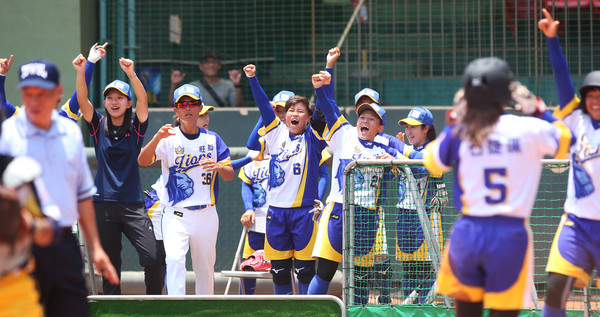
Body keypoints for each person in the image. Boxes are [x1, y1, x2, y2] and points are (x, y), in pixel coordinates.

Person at [423, 57, 572, 317]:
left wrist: (454, 118)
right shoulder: (528, 128)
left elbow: (433, 163)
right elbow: (566, 139)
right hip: (510, 235)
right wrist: (536, 108)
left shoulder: (463, 130)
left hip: (468, 233)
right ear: (505, 94)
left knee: (467, 313)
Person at [0, 59, 118, 316]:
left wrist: (96, 247)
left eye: (41, 94)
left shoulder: (69, 131)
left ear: (57, 93)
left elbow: (82, 195)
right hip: (23, 246)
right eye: (27, 93)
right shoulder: (7, 134)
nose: (33, 101)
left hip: (64, 241)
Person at [308, 68, 403, 305]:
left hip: (368, 215)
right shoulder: (344, 134)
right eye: (362, 116)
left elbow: (400, 173)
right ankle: (306, 309)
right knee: (326, 270)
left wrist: (395, 161)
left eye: (371, 118)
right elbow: (329, 108)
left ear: (380, 127)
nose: (365, 120)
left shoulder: (385, 149)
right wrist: (321, 86)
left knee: (360, 276)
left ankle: (363, 310)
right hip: (339, 211)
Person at [73, 53, 160, 295]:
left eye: (120, 98)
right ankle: (113, 307)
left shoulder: (135, 126)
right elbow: (82, 101)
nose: (114, 101)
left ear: (128, 103)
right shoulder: (98, 124)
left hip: (133, 204)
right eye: (110, 98)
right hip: (103, 205)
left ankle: (154, 303)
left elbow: (144, 103)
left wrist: (131, 73)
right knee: (110, 267)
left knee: (152, 256)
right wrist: (82, 71)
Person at [138, 84, 234, 295]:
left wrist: (219, 167)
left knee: (205, 269)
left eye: (192, 103)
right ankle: (176, 309)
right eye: (182, 104)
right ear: (176, 109)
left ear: (200, 107)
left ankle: (205, 311)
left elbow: (229, 174)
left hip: (207, 213)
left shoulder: (212, 139)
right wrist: (156, 138)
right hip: (176, 214)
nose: (188, 108)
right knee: (174, 261)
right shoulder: (168, 138)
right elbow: (142, 161)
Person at [243, 64, 328, 295]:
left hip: (304, 213)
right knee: (279, 272)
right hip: (276, 213)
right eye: (291, 110)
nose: (294, 114)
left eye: (301, 111)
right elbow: (263, 106)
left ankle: (306, 312)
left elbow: (323, 111)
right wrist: (252, 78)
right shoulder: (275, 132)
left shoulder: (314, 138)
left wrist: (321, 86)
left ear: (308, 118)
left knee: (304, 271)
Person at [538, 9, 600, 317]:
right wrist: (552, 41)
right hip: (576, 223)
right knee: (555, 287)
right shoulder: (576, 120)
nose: (595, 99)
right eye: (590, 94)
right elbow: (563, 80)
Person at [395, 106, 447, 304]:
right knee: (408, 268)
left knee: (425, 269)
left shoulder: (432, 150)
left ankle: (423, 308)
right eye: (407, 126)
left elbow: (419, 171)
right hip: (404, 214)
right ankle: (410, 310)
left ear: (426, 128)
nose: (409, 131)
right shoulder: (407, 150)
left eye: (414, 127)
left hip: (425, 216)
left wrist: (399, 154)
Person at [0, 43, 107, 121]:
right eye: (30, 93)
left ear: (56, 94)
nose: (36, 99)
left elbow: (80, 96)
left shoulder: (65, 120)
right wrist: (1, 75)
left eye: (42, 92)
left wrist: (91, 62)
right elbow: (2, 103)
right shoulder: (21, 122)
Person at [169, 50, 244, 107]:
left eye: (214, 62)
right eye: (207, 62)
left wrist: (237, 85)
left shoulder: (228, 85)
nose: (211, 65)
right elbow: (173, 106)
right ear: (201, 66)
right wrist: (174, 84)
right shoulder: (192, 87)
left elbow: (239, 107)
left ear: (219, 65)